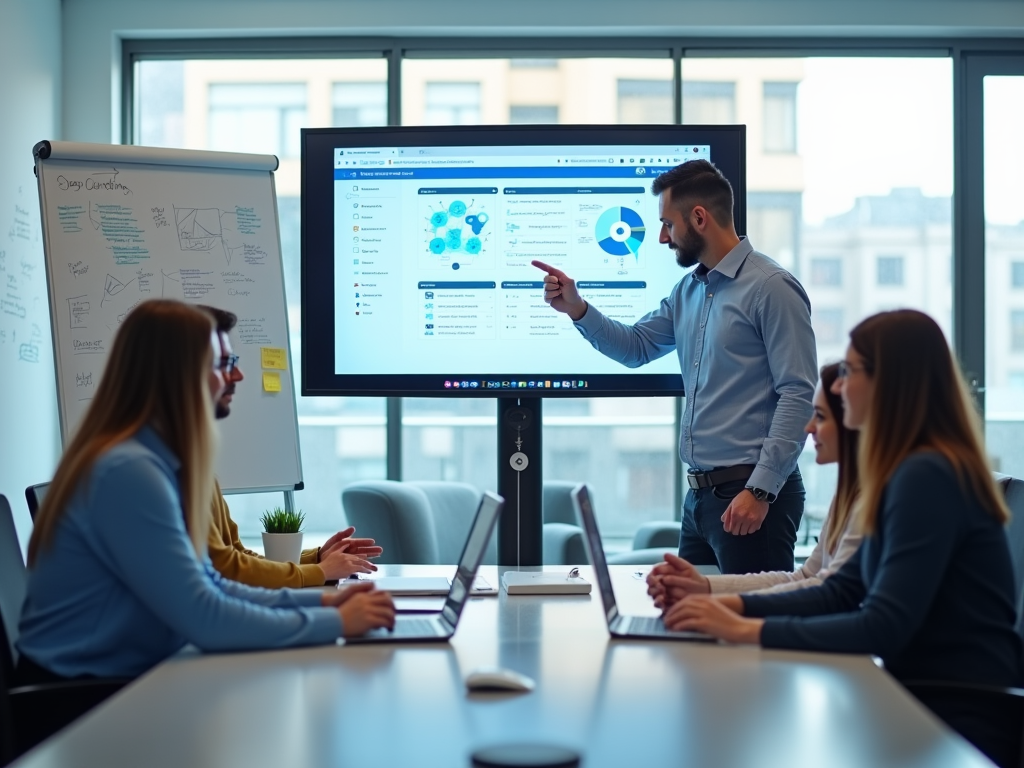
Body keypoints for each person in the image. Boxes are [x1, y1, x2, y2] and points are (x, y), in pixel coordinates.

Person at [663, 309, 1023, 765]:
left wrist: (743, 628)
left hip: (948, 718)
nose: (835, 386)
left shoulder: (927, 475)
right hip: (908, 697)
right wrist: (727, 605)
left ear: (891, 383)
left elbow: (882, 625)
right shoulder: (904, 471)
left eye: (849, 372)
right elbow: (842, 588)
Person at [16, 300, 395, 683]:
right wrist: (334, 622)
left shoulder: (156, 462)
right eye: (223, 364)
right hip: (77, 699)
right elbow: (204, 616)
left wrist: (326, 601)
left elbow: (213, 585)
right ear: (179, 376)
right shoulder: (128, 472)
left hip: (124, 677)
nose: (238, 375)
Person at [533, 159, 817, 574]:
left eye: (667, 224)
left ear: (698, 218)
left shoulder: (772, 288)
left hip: (752, 497)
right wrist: (576, 308)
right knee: (691, 621)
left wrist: (761, 490)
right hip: (701, 499)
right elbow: (636, 347)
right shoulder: (688, 291)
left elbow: (798, 393)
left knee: (749, 631)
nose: (663, 237)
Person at [647, 362, 862, 606]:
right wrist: (705, 588)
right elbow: (807, 577)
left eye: (820, 416)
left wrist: (731, 614)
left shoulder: (880, 496)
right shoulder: (850, 491)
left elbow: (838, 597)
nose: (809, 427)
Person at [198, 305, 381, 587]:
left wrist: (317, 559)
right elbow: (226, 569)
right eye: (223, 364)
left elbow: (236, 556)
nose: (238, 376)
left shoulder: (196, 465)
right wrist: (320, 575)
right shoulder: (159, 469)